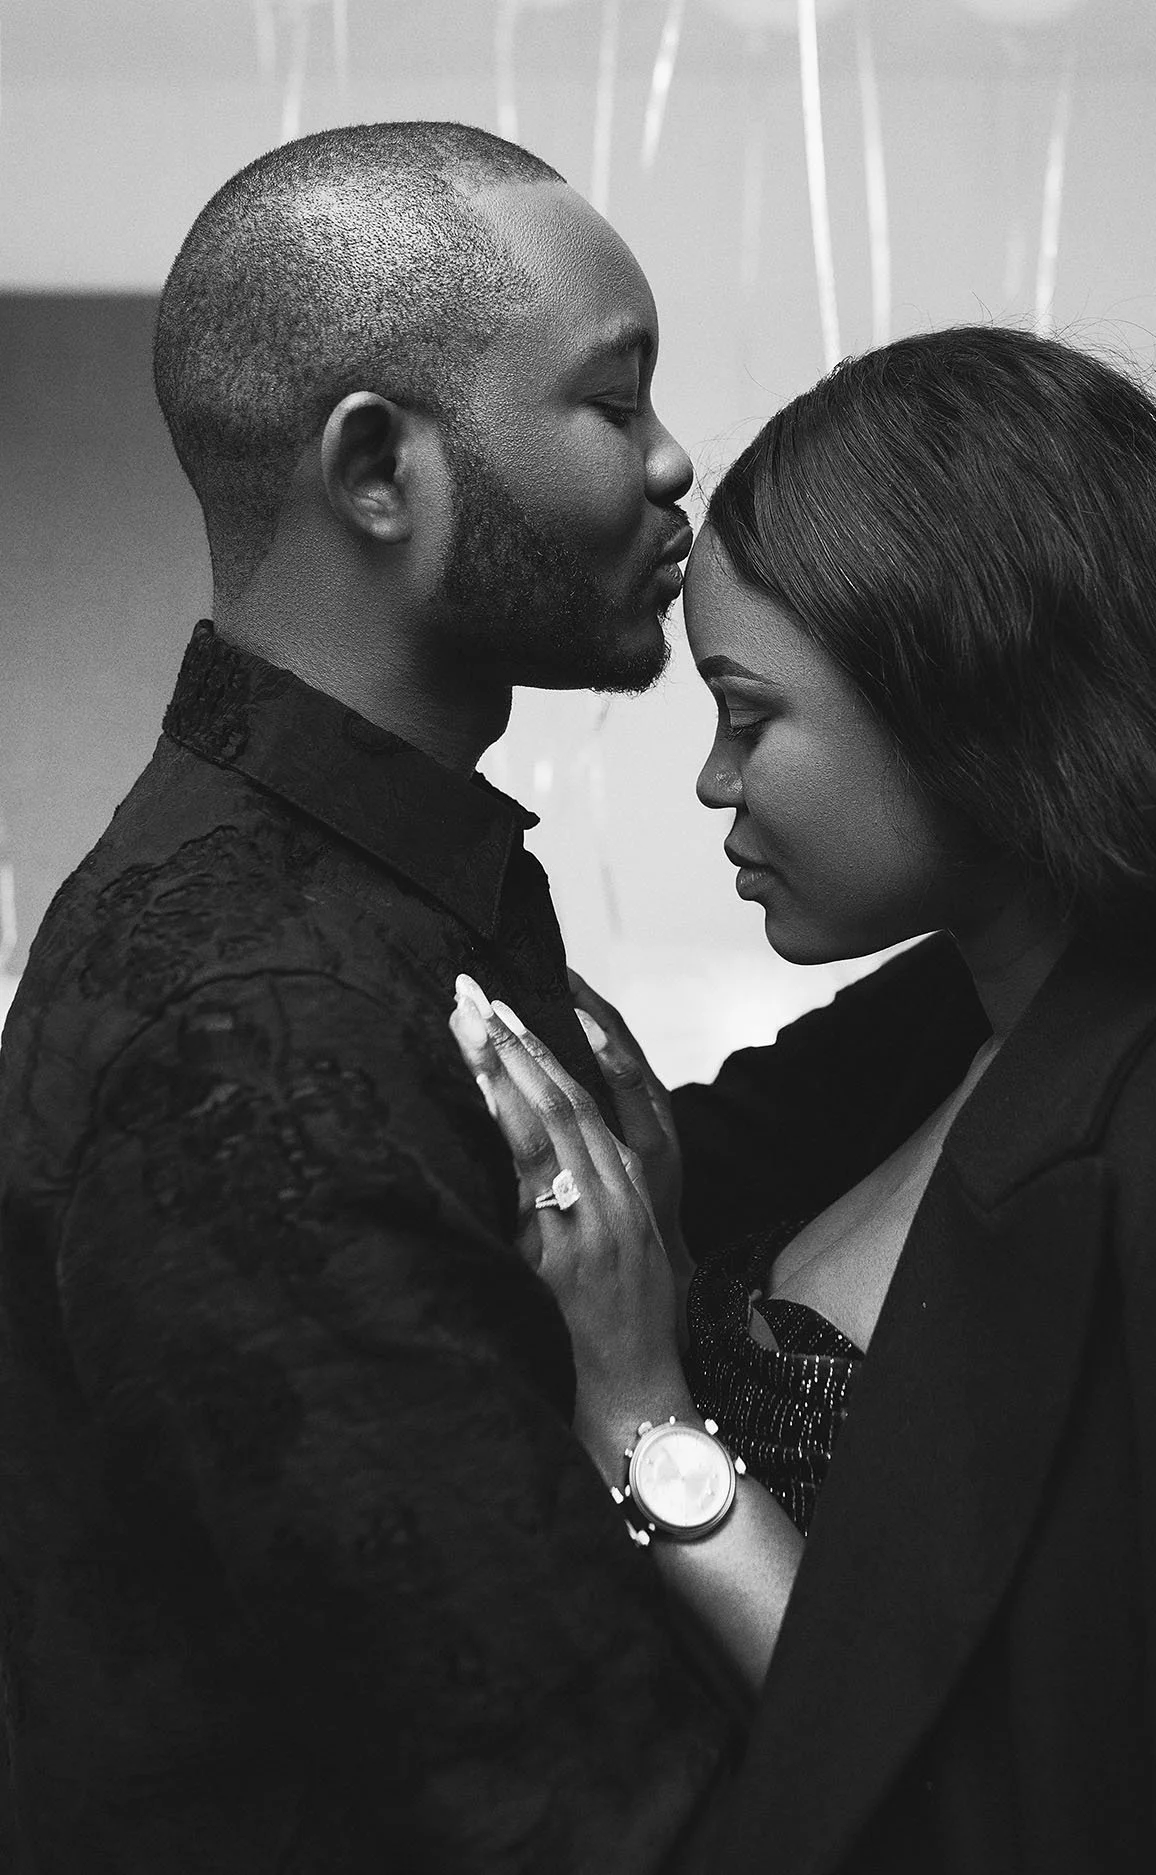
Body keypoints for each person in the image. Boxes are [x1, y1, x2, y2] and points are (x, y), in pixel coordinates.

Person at [452, 326, 1156, 1874]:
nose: (716, 781)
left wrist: (649, 1425)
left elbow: (1056, 1805)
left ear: (971, 704)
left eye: (749, 712)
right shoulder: (955, 1017)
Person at [0, 122, 741, 1872]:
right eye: (612, 399)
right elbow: (570, 1806)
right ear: (377, 469)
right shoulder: (249, 1030)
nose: (671, 460)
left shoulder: (369, 888)